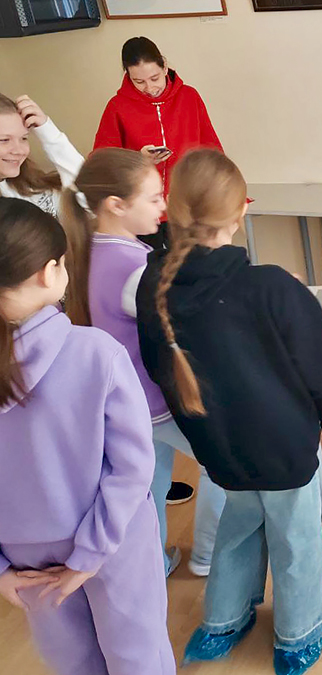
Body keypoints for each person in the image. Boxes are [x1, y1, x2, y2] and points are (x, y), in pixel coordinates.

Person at [135, 149, 322, 674]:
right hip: (283, 445)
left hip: (217, 446)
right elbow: (321, 366)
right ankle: (298, 636)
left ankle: (222, 623)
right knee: (295, 537)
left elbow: (160, 370)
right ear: (240, 212)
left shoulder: (153, 285)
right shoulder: (273, 286)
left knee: (238, 525)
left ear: (174, 210)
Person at [0, 198, 175, 675]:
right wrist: (91, 552)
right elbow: (133, 466)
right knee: (139, 655)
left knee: (71, 662)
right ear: (48, 272)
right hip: (112, 537)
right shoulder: (97, 352)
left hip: (22, 554)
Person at [58, 147, 225, 578]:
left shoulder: (84, 252)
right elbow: (184, 328)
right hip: (154, 400)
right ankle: (208, 555)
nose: (163, 206)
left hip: (122, 402)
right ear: (116, 205)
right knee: (223, 466)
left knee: (150, 485)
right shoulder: (135, 267)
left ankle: (154, 564)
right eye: (153, 198)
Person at [94, 36, 223, 251]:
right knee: (147, 269)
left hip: (185, 205)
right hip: (140, 209)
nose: (149, 87)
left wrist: (221, 192)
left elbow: (211, 148)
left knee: (192, 266)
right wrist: (138, 159)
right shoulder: (117, 107)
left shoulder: (189, 97)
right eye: (139, 82)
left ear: (164, 66)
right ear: (128, 75)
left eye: (154, 78)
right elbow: (101, 161)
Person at [0, 94, 83, 216]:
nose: (19, 150)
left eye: (24, 138)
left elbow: (91, 198)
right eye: (4, 140)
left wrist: (47, 130)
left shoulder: (33, 187)